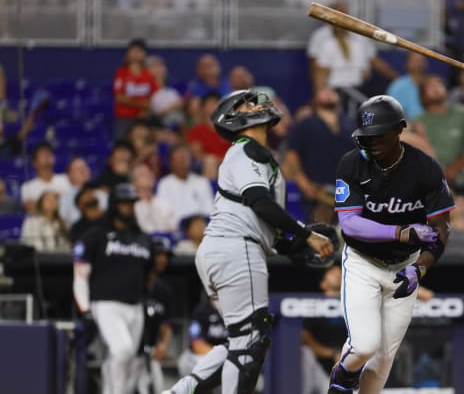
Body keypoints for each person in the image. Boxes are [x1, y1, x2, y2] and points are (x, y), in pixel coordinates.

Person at [164, 89, 334, 394]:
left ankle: (181, 391)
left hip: (226, 248)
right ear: (237, 117)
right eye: (249, 103)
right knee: (251, 340)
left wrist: (299, 245)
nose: (258, 104)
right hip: (235, 248)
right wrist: (306, 234)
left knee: (244, 339)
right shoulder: (245, 149)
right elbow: (260, 203)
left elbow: (271, 230)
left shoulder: (255, 155)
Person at [329, 95, 454, 393]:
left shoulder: (425, 168)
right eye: (365, 136)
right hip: (363, 263)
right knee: (363, 346)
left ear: (399, 129)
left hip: (404, 266)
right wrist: (400, 232)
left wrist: (420, 270)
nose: (370, 142)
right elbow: (350, 224)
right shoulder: (352, 164)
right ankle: (341, 380)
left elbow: (441, 227)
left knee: (383, 361)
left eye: (377, 135)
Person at [73, 183, 154, 394]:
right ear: (114, 205)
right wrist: (84, 307)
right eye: (123, 204)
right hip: (107, 303)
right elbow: (81, 274)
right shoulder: (96, 235)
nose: (128, 208)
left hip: (135, 306)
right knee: (121, 351)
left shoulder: (142, 238)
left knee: (128, 361)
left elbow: (149, 275)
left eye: (131, 204)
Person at [282, 86, 356, 223]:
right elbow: (292, 155)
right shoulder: (305, 124)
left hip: (347, 191)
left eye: (332, 91)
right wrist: (303, 183)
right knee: (320, 231)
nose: (328, 93)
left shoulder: (351, 123)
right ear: (314, 100)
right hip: (317, 191)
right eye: (323, 91)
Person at [413, 75, 464, 194]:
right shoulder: (417, 121)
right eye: (430, 86)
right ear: (422, 95)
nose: (436, 88)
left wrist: (454, 169)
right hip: (429, 182)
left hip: (458, 180)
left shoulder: (462, 114)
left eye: (439, 84)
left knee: (460, 211)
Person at [130, 236, 175, 394]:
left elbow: (166, 324)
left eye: (165, 256)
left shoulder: (164, 290)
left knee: (157, 386)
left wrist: (164, 345)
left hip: (149, 352)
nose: (162, 259)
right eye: (158, 255)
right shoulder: (132, 285)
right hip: (129, 350)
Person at [302, 265, 346, 394]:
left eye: (340, 271)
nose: (338, 273)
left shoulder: (352, 305)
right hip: (320, 368)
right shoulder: (314, 305)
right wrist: (332, 353)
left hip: (349, 366)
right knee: (304, 352)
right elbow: (305, 338)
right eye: (332, 272)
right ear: (323, 284)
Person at [175, 298, 228, 392]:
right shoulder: (202, 310)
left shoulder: (234, 311)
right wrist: (220, 354)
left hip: (227, 358)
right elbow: (197, 345)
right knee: (189, 362)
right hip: (202, 356)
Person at [155, 143, 215, 226]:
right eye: (178, 159)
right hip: (178, 228)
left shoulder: (202, 181)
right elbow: (164, 212)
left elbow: (209, 210)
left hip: (202, 227)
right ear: (171, 162)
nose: (182, 162)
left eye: (184, 158)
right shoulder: (164, 184)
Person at [113, 38, 158, 140]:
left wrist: (144, 108)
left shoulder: (149, 75)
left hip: (144, 118)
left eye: (139, 51)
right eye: (133, 50)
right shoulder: (121, 73)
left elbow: (154, 97)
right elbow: (119, 98)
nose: (136, 53)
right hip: (124, 117)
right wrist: (142, 104)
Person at [186, 92, 231, 179]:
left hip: (228, 162)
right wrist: (217, 161)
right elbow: (197, 154)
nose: (213, 107)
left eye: (216, 103)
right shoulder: (197, 130)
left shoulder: (229, 129)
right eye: (210, 104)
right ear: (203, 108)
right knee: (210, 161)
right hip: (208, 164)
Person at [20, 141, 72, 213]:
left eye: (49, 153)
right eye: (43, 154)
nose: (47, 155)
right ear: (34, 163)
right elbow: (31, 209)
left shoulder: (65, 179)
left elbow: (71, 204)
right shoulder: (27, 186)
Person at [59, 157, 107, 228]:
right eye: (78, 169)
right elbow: (62, 223)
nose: (83, 170)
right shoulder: (64, 198)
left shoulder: (101, 194)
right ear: (69, 175)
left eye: (85, 167)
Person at [132, 164, 176, 234]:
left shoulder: (163, 203)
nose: (149, 175)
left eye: (149, 173)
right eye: (142, 174)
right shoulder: (131, 205)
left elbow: (173, 228)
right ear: (134, 182)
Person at [186, 54, 230, 124]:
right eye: (203, 67)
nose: (207, 71)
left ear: (218, 67)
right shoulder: (195, 87)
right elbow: (193, 111)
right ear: (198, 71)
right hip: (205, 122)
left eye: (210, 67)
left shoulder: (228, 83)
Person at [147, 55, 185, 130]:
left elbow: (183, 103)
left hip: (177, 121)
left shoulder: (175, 86)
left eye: (160, 65)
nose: (158, 69)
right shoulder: (146, 89)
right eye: (154, 66)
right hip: (155, 124)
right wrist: (170, 108)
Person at [386, 53, 427, 120]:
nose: (418, 63)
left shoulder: (430, 84)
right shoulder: (397, 85)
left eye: (421, 60)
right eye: (415, 60)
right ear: (407, 64)